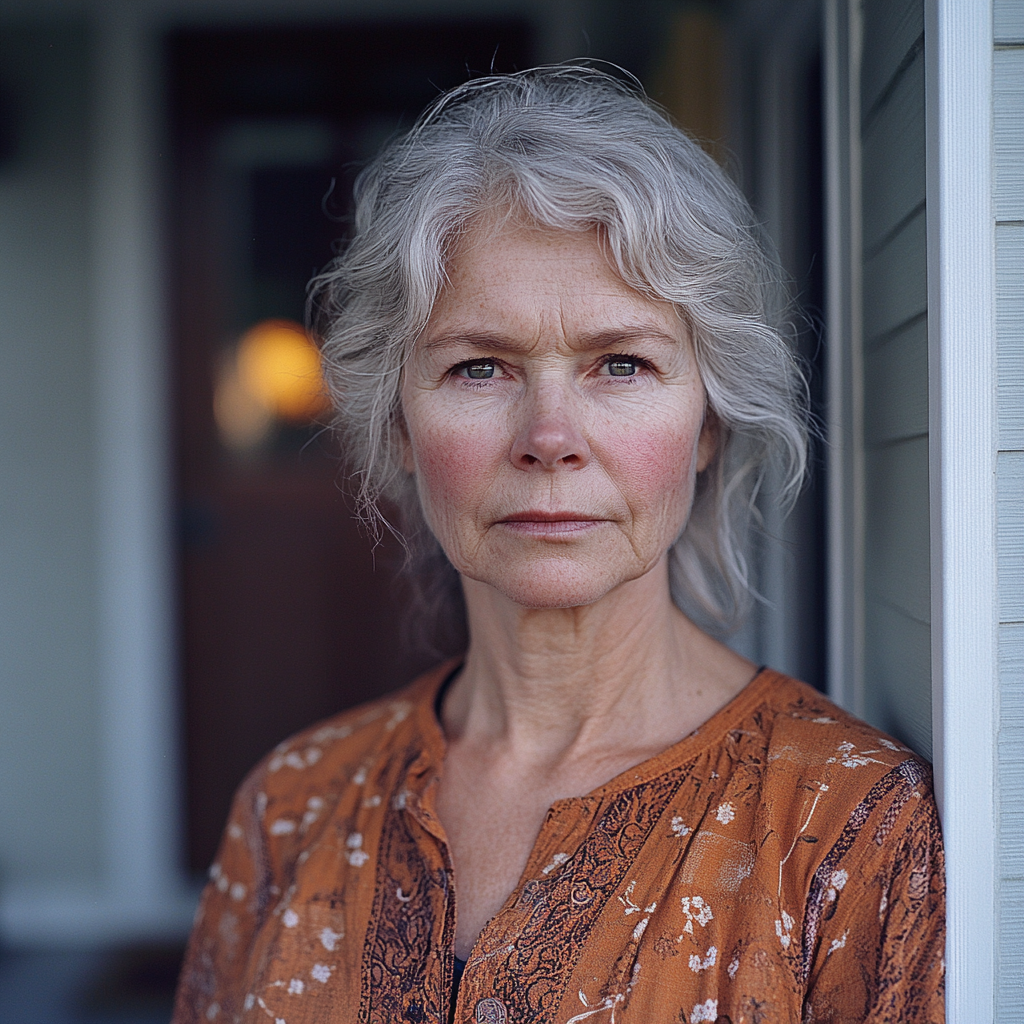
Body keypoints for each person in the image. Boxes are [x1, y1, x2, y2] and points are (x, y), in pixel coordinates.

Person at [172, 66, 944, 1024]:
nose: (549, 434)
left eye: (621, 363)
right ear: (400, 427)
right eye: (479, 366)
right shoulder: (292, 805)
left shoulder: (842, 828)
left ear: (707, 423)